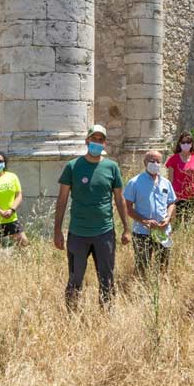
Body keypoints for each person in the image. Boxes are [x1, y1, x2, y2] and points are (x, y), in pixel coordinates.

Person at [53, 125, 131, 308]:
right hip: (78, 234)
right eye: (93, 139)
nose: (96, 142)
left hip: (104, 233)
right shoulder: (73, 166)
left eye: (100, 140)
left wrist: (127, 228)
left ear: (104, 143)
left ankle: (106, 315)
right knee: (75, 278)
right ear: (86, 141)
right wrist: (57, 231)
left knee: (107, 278)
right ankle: (72, 315)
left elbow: (119, 200)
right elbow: (62, 200)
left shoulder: (111, 167)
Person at [124, 150, 177, 276]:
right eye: (152, 161)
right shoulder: (134, 182)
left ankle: (161, 288)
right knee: (142, 264)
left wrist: (168, 218)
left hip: (162, 230)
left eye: (158, 161)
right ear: (145, 163)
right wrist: (145, 221)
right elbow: (128, 208)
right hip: (142, 231)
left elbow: (172, 203)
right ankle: (140, 289)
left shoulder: (166, 183)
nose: (155, 164)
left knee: (163, 263)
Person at [165, 132, 194, 223]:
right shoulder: (173, 159)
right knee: (177, 221)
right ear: (179, 144)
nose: (185, 145)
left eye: (188, 142)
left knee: (190, 221)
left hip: (192, 194)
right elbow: (170, 179)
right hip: (177, 195)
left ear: (192, 144)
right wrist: (169, 195)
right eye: (183, 142)